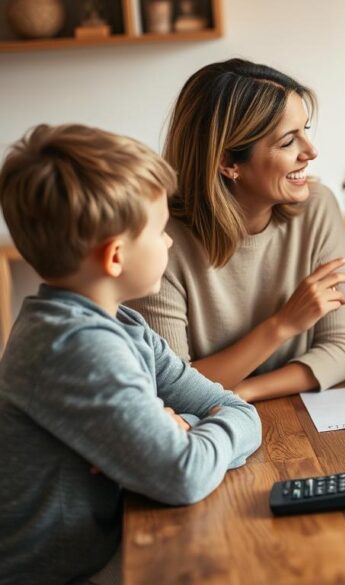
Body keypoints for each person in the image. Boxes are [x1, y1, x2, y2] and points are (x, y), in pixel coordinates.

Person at [0, 124, 262, 584]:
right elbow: (183, 476)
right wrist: (178, 440)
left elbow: (239, 409)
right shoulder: (73, 347)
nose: (169, 242)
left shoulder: (123, 325)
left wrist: (188, 428)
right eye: (160, 231)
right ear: (115, 257)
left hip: (105, 549)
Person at [129, 59, 345, 401]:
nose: (311, 152)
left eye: (305, 131)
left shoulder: (317, 206)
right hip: (203, 429)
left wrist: (243, 392)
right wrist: (281, 326)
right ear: (227, 162)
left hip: (267, 411)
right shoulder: (158, 239)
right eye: (287, 142)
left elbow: (342, 350)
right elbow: (170, 387)